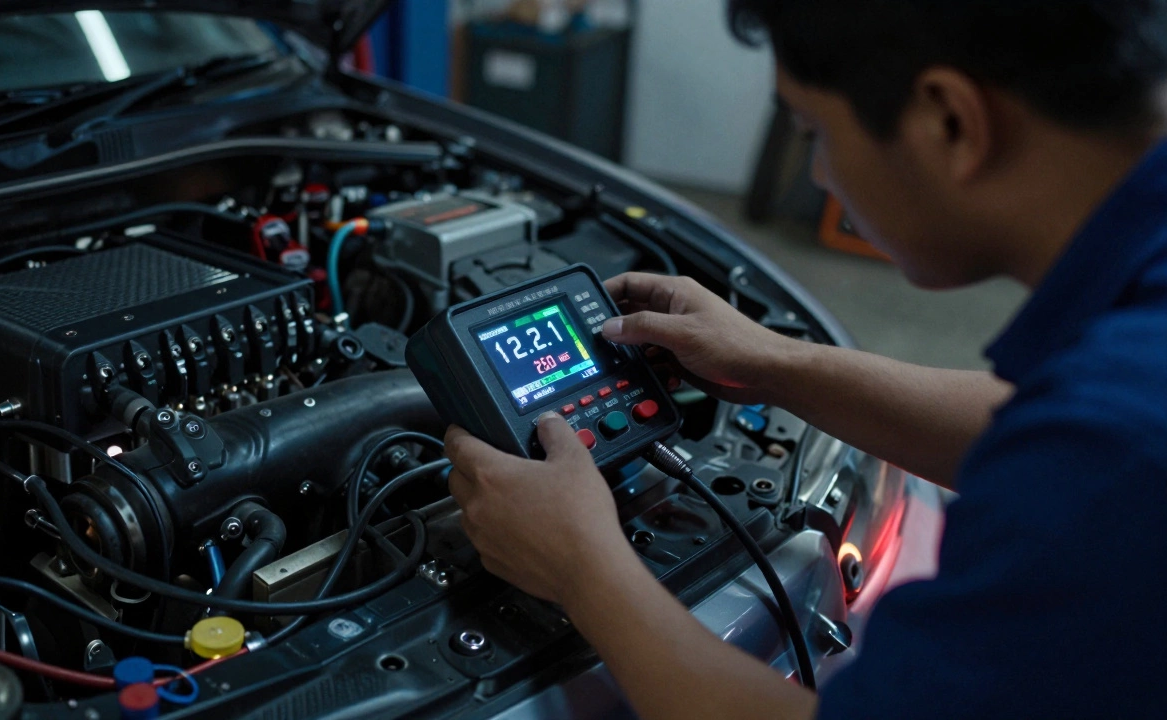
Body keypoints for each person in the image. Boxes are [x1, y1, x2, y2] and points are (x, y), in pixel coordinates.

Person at [443, 1, 1167, 718]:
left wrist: (582, 570)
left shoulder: (1112, 455)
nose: (820, 173)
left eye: (815, 130)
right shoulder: (1120, 382)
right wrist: (772, 363)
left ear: (948, 121)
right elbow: (1023, 424)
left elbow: (1088, 449)